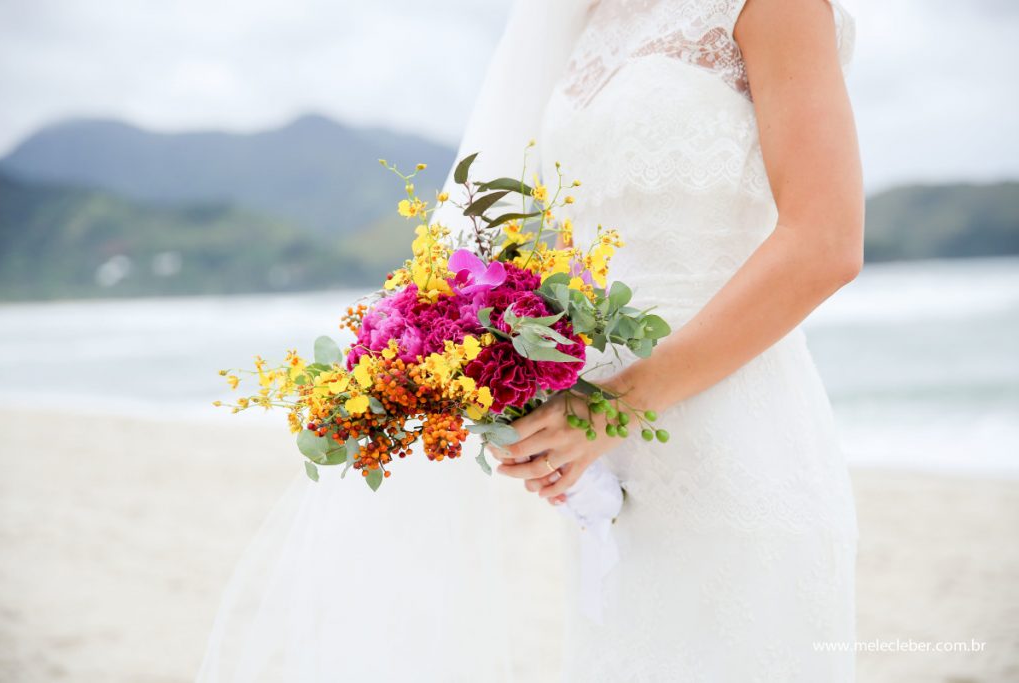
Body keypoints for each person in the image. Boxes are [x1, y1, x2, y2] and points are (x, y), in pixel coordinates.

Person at [197, 0, 862, 680]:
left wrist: (616, 403)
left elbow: (826, 242)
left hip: (736, 448)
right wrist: (505, 377)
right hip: (606, 477)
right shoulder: (582, 18)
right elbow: (568, 249)